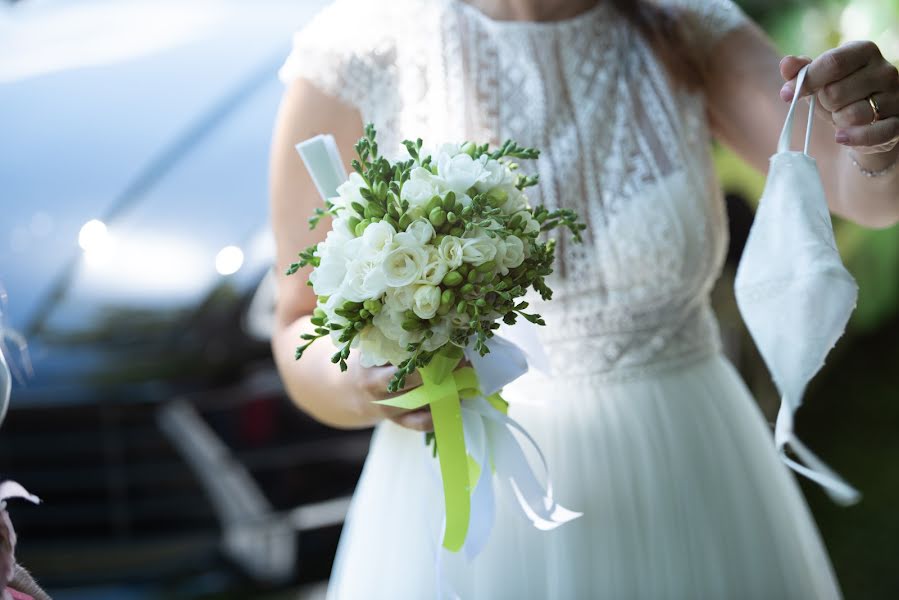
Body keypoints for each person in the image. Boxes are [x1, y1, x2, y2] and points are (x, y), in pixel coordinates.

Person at [269, 0, 899, 597]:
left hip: (684, 461)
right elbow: (298, 319)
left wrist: (877, 136)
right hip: (478, 494)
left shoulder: (685, 24)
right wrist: (360, 383)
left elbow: (859, 191)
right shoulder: (353, 55)